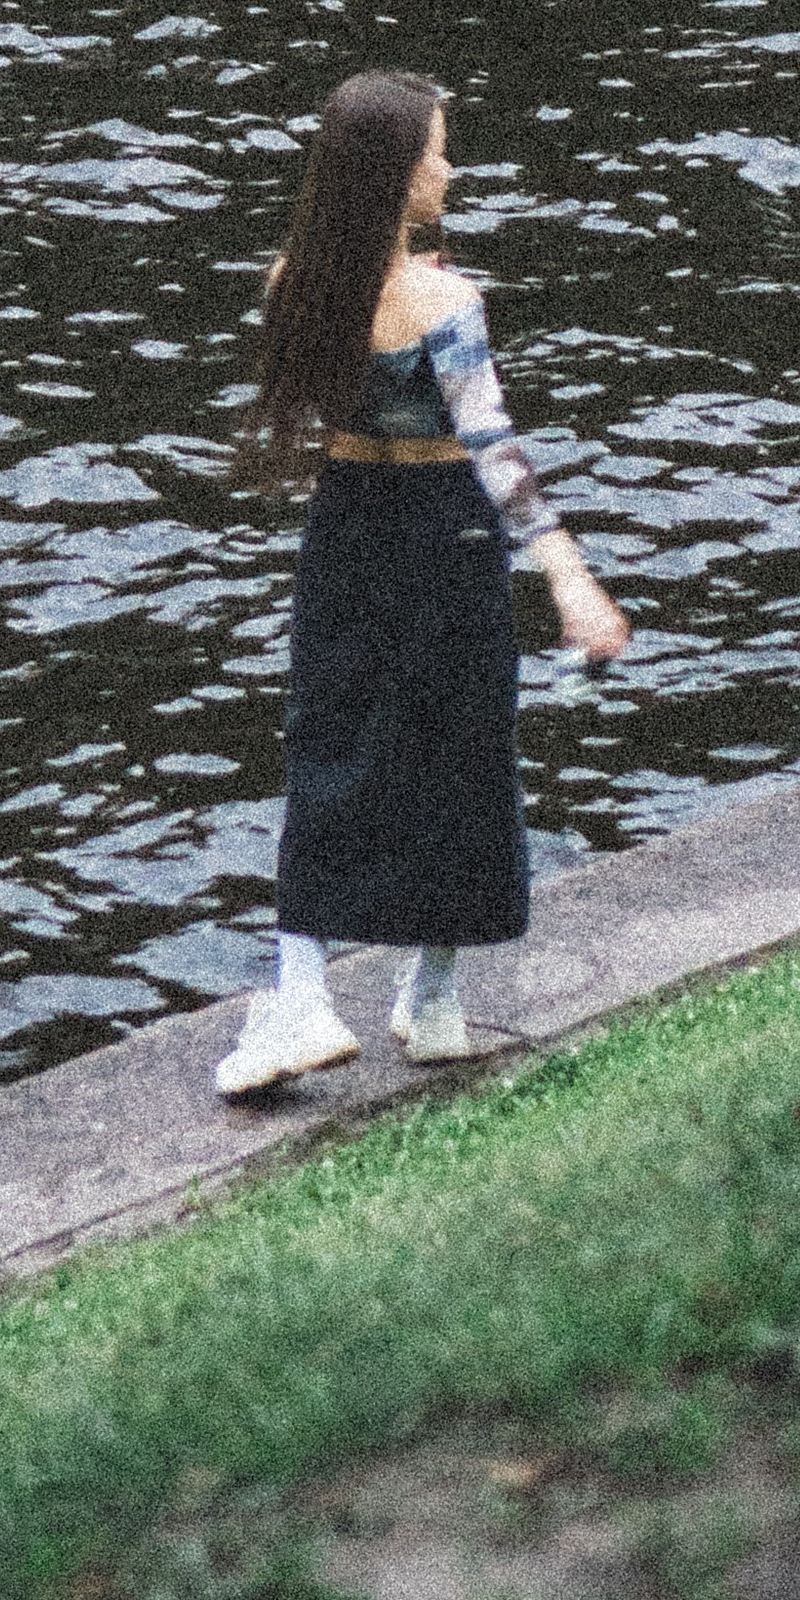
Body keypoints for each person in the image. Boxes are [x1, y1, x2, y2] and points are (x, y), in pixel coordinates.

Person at [219, 69, 629, 1098]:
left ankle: (301, 996)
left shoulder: (290, 284)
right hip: (445, 533)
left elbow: (345, 375)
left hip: (347, 524)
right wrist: (571, 578)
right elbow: (494, 451)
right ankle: (433, 1000)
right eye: (438, 152)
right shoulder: (449, 301)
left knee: (328, 743)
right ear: (400, 175)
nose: (449, 168)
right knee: (461, 749)